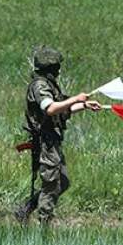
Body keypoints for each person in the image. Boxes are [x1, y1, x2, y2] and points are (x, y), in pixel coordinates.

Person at [15, 47, 101, 225]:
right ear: (51, 68)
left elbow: (61, 110)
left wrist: (84, 105)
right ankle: (43, 224)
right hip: (45, 142)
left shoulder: (49, 84)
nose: (59, 70)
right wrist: (76, 98)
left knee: (63, 181)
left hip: (53, 140)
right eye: (57, 67)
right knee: (51, 183)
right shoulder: (39, 86)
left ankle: (26, 208)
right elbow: (51, 108)